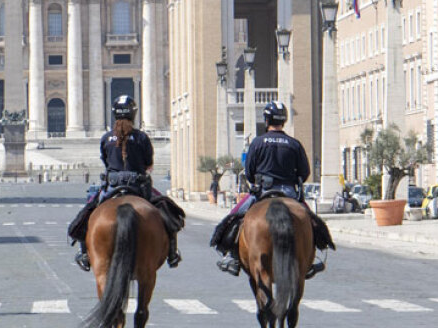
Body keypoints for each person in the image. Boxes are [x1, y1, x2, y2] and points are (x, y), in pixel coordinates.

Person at [210, 101, 333, 279]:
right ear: (284, 121)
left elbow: (250, 172)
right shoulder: (294, 144)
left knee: (233, 217)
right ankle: (313, 257)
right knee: (312, 222)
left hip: (263, 191)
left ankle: (232, 256)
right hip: (289, 191)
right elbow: (305, 172)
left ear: (266, 120)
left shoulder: (258, 143)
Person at [68, 95, 183, 272]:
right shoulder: (141, 138)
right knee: (168, 212)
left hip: (112, 186)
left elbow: (106, 162)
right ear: (133, 114)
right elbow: (149, 164)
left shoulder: (106, 138)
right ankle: (172, 253)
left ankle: (84, 253)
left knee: (87, 214)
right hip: (138, 186)